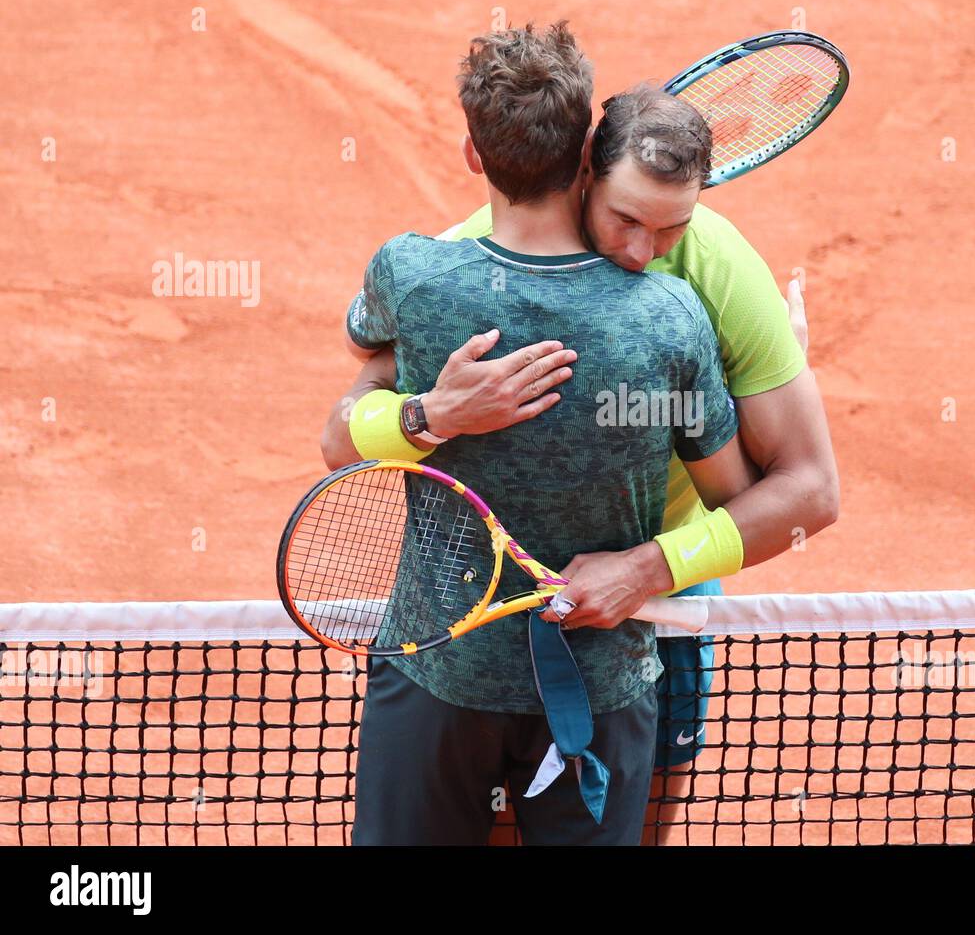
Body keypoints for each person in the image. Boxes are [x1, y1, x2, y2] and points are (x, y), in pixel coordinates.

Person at [324, 82, 840, 838]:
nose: (640, 252)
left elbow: (810, 493)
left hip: (661, 598)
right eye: (626, 219)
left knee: (646, 816)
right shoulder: (467, 261)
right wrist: (430, 413)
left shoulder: (721, 270)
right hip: (482, 615)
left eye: (670, 230)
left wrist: (647, 569)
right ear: (583, 176)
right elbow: (344, 426)